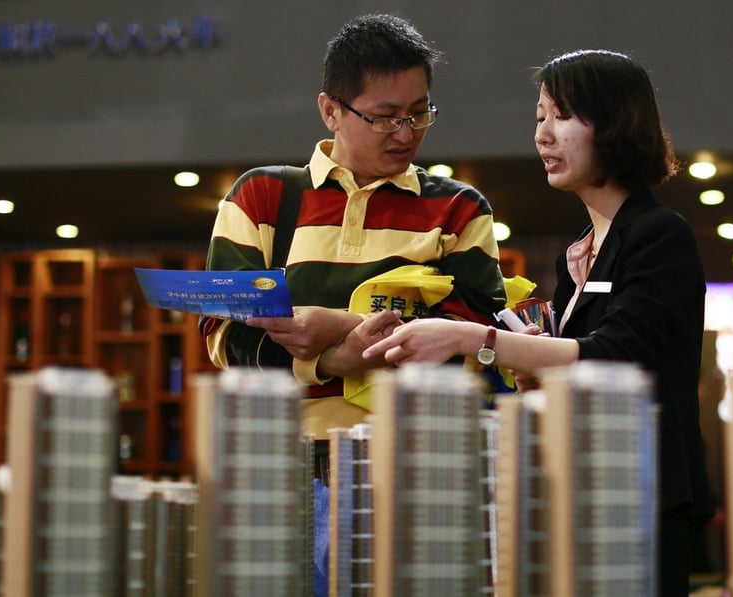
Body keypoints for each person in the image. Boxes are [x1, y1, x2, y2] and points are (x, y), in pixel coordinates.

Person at [363, 49, 714, 596]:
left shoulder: (658, 234)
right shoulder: (576, 254)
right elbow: (581, 368)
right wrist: (538, 370)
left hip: (638, 489)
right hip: (581, 487)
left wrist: (473, 337)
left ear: (618, 123)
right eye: (539, 118)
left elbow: (619, 357)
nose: (543, 136)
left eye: (562, 116)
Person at [201, 13, 506, 442]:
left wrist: (344, 326)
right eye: (385, 117)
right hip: (286, 459)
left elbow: (476, 344)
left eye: (419, 114)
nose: (405, 134)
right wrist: (333, 362)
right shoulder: (261, 196)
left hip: (411, 459)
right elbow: (223, 334)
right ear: (330, 111)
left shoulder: (458, 208)